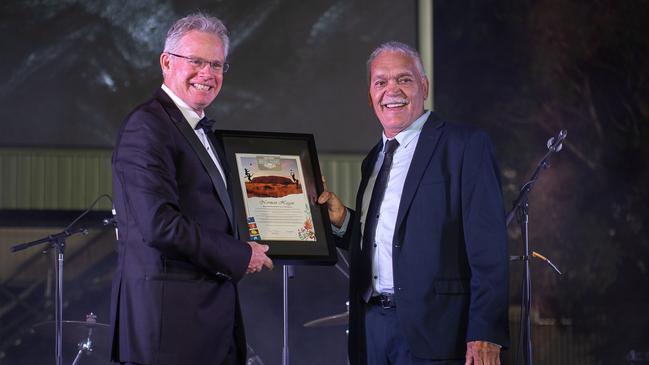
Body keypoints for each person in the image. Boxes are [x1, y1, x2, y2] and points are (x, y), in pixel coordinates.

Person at [318, 41, 509, 365]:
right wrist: (343, 222)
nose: (391, 90)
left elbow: (489, 248)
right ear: (370, 95)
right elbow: (385, 241)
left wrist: (486, 331)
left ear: (424, 86)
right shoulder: (373, 160)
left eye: (403, 79)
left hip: (437, 332)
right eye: (381, 82)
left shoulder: (464, 146)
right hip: (372, 328)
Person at [109, 13, 273, 365]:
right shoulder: (148, 126)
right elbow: (160, 224)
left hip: (205, 323)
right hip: (169, 330)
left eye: (216, 64)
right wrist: (240, 254)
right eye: (196, 61)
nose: (208, 74)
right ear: (167, 62)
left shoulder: (202, 130)